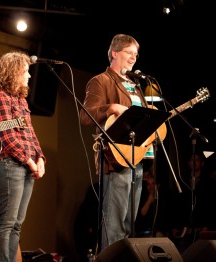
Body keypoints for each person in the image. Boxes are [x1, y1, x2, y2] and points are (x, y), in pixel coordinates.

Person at [79, 34, 148, 251]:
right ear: (115, 53)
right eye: (129, 52)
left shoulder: (135, 85)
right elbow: (85, 115)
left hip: (137, 158)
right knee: (115, 226)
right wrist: (110, 108)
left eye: (136, 54)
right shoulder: (101, 81)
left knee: (128, 225)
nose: (133, 58)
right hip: (116, 159)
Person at [0, 51, 46, 261]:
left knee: (17, 224)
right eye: (26, 71)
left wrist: (40, 159)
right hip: (9, 165)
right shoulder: (0, 97)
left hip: (26, 166)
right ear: (13, 72)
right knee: (6, 222)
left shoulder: (21, 100)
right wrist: (30, 161)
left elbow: (30, 133)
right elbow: (7, 136)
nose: (29, 76)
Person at [169, 151, 216, 253]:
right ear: (188, 163)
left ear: (202, 163)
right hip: (184, 230)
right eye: (191, 160)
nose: (194, 162)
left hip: (201, 229)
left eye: (197, 160)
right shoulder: (182, 181)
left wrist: (208, 226)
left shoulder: (209, 183)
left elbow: (212, 206)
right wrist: (175, 225)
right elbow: (176, 205)